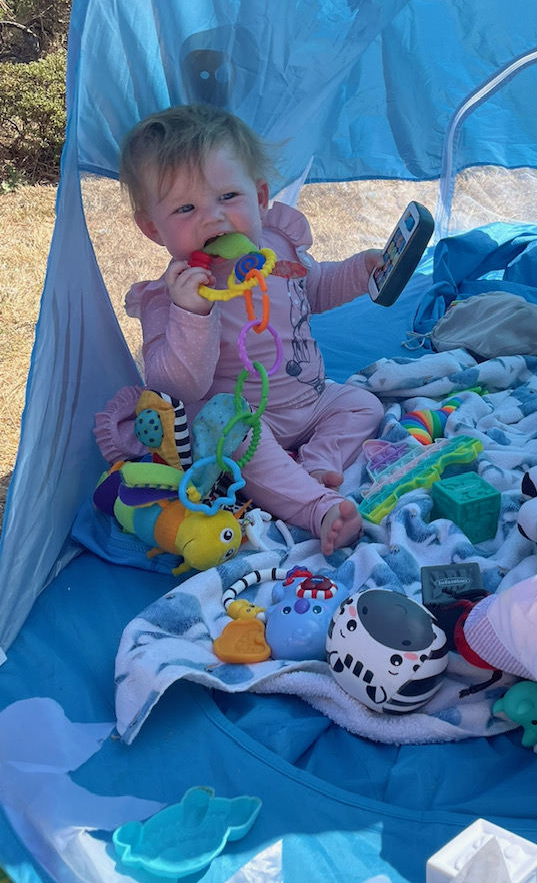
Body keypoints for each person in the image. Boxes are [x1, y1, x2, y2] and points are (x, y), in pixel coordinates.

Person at [98, 103, 384, 554]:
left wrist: (359, 271)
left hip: (309, 400)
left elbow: (315, 288)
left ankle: (316, 463)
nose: (212, 218)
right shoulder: (167, 296)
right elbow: (176, 385)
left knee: (363, 405)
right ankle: (315, 506)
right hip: (240, 420)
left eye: (228, 197)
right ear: (153, 227)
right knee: (236, 433)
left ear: (261, 195)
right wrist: (191, 313)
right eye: (187, 208)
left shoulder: (274, 249)